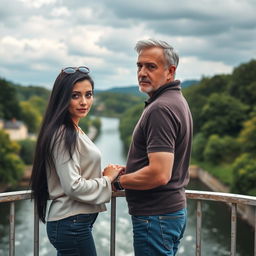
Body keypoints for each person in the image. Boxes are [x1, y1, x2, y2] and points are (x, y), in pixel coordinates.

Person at [112, 39, 193, 255]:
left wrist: (118, 181)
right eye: (139, 66)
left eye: (151, 66)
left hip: (156, 216)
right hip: (168, 213)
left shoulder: (161, 109)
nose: (142, 73)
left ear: (170, 71)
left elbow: (159, 174)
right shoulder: (176, 100)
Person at [30, 66, 123, 256]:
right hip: (71, 225)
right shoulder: (63, 134)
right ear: (62, 98)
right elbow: (73, 186)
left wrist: (107, 178)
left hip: (73, 224)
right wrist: (106, 180)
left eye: (88, 95)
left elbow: (75, 175)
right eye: (75, 96)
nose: (83, 102)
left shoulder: (73, 130)